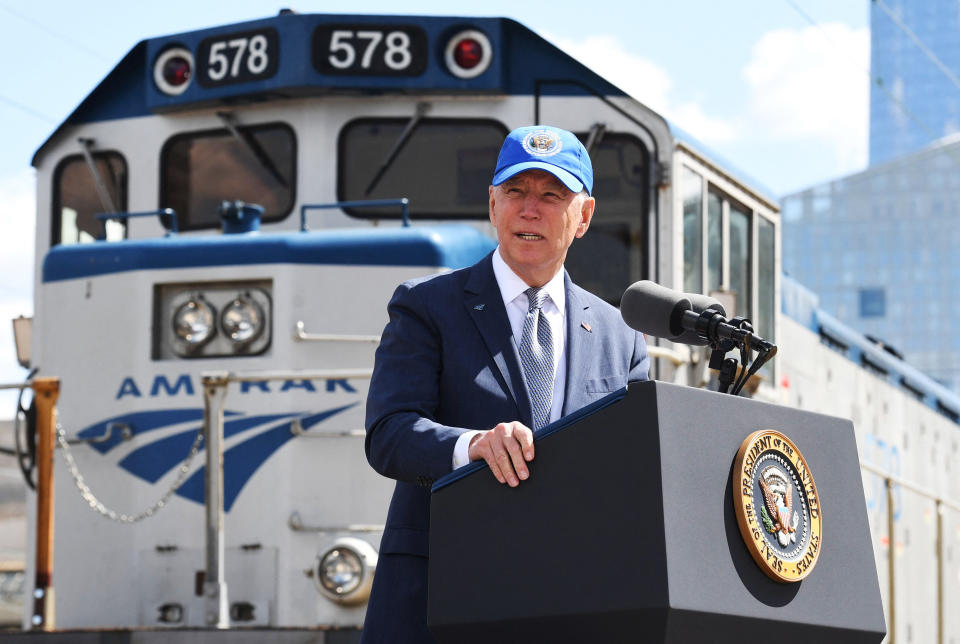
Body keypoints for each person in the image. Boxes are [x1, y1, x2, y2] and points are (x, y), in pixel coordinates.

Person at [361, 125, 650, 643]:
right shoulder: (426, 307)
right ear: (493, 205)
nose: (529, 209)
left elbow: (635, 471)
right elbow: (389, 433)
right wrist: (472, 446)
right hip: (440, 599)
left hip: (571, 604)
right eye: (515, 192)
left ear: (583, 217)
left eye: (551, 195)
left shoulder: (620, 334)